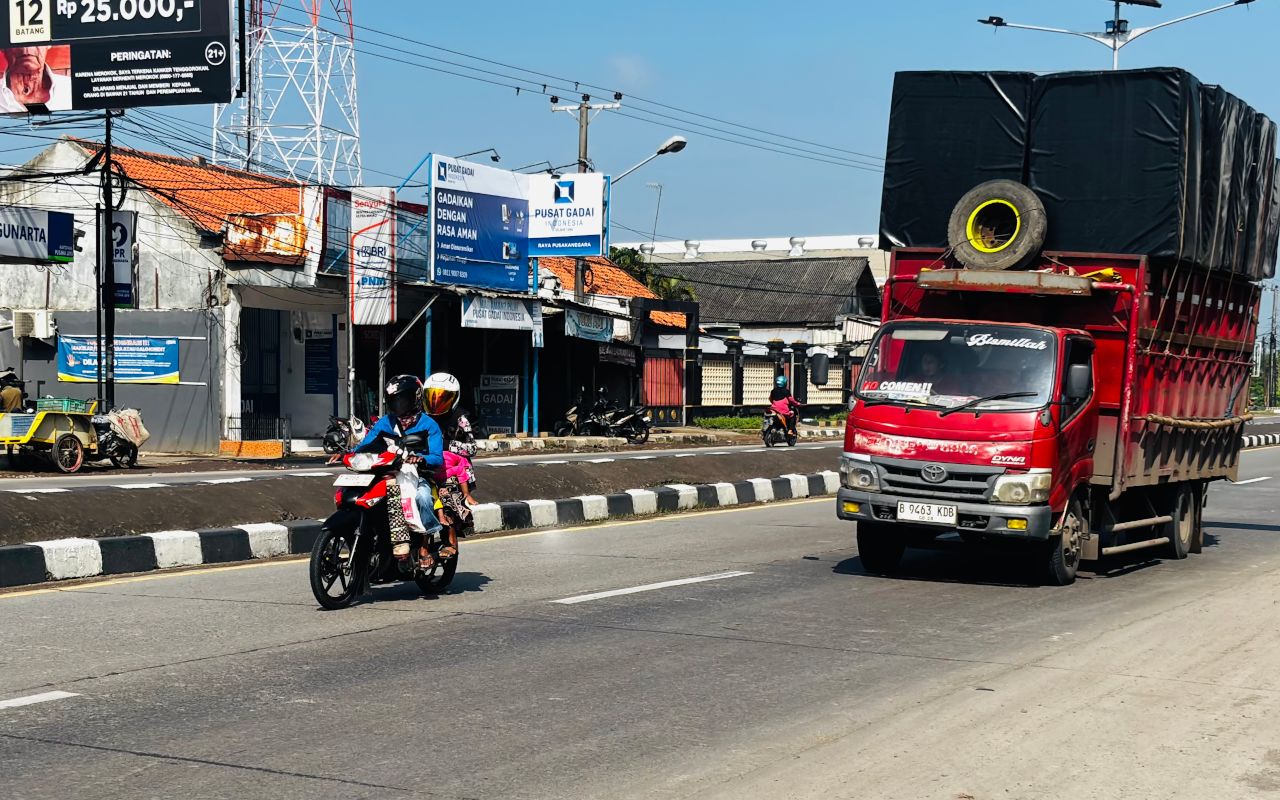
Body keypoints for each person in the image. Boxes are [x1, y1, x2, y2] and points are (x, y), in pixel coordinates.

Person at [333, 375, 445, 566]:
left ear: (416, 397)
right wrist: (347, 454)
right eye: (395, 400)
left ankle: (425, 543)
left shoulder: (429, 425)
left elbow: (437, 457)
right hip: (388, 472)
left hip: (418, 475)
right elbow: (367, 443)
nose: (399, 404)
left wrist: (420, 458)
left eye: (403, 399)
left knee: (423, 498)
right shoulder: (385, 422)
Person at [423, 372, 478, 553]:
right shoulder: (421, 417)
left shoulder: (461, 419)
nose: (436, 402)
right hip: (424, 463)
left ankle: (450, 541)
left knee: (446, 495)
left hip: (453, 468)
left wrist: (447, 445)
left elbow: (471, 448)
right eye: (432, 396)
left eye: (442, 398)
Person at [0, 46, 72, 113]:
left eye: (34, 38)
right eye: (17, 40)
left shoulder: (71, 89)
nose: (27, 49)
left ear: (48, 44)